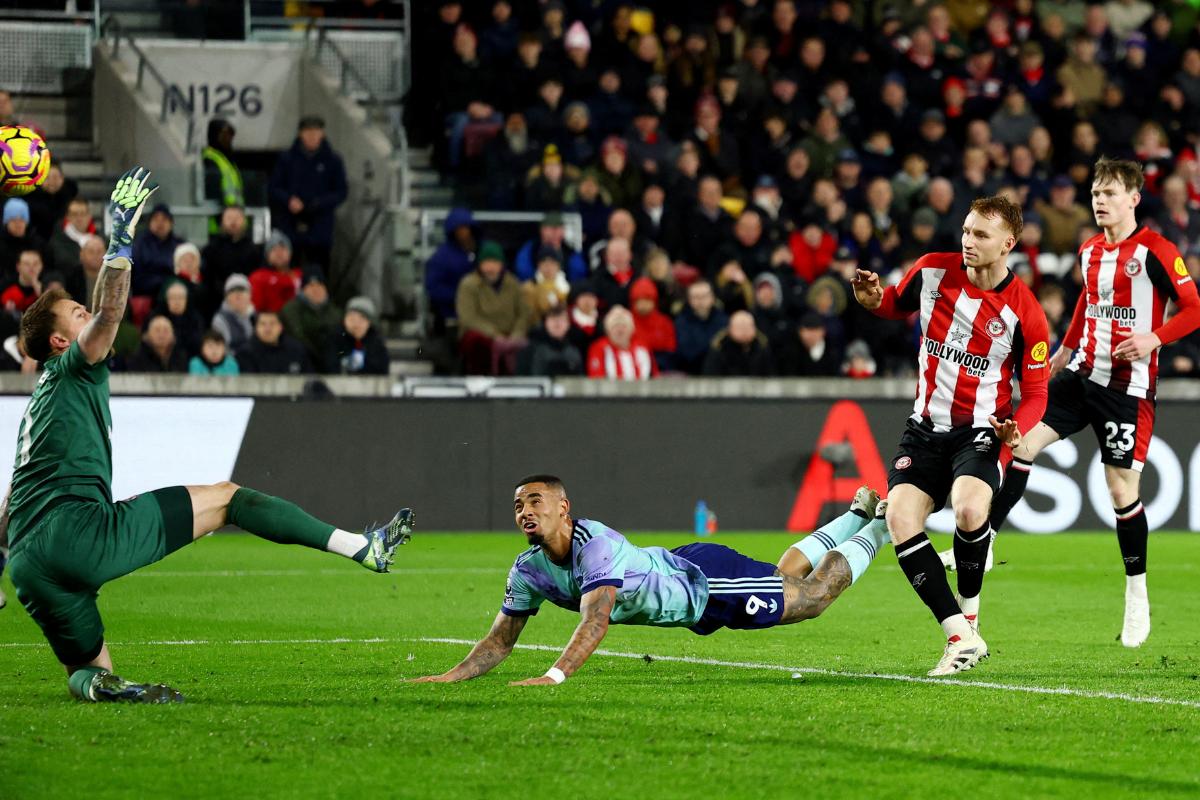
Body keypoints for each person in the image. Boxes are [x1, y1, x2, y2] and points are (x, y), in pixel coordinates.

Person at [2, 168, 414, 702]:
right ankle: (362, 547)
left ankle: (102, 688)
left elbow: (14, 500)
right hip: (78, 533)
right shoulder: (76, 365)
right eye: (74, 314)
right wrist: (122, 238)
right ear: (61, 340)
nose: (87, 316)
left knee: (89, 666)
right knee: (229, 499)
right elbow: (108, 313)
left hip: (30, 566)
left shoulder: (41, 399)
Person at [980, 158, 1200, 649]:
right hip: (1082, 376)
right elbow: (1087, 302)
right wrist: (1062, 350)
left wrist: (1154, 338)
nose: (1100, 200)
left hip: (1128, 389)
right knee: (1020, 443)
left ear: (1134, 199)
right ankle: (988, 537)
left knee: (1121, 491)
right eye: (1096, 192)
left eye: (1110, 193)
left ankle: (1137, 595)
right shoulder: (1089, 251)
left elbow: (1194, 309)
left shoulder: (1158, 252)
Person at [410, 477, 890, 685]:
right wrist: (450, 676)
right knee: (781, 577)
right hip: (683, 564)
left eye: (535, 501)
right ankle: (854, 514)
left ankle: (884, 525)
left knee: (812, 597)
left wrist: (554, 676)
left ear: (563, 507)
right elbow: (500, 641)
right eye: (518, 505)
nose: (525, 510)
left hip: (704, 586)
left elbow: (597, 618)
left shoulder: (592, 544)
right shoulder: (527, 569)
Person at [851, 195, 1050, 676]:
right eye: (965, 231)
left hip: (981, 431)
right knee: (899, 518)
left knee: (969, 508)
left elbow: (1038, 390)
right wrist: (872, 299)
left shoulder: (1025, 311)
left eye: (981, 235)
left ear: (1009, 244)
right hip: (922, 428)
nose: (968, 241)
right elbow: (894, 304)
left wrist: (1017, 427)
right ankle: (959, 634)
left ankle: (971, 611)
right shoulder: (933, 271)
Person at [268, 116, 348, 270]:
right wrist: (288, 200)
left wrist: (319, 203)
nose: (312, 136)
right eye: (308, 132)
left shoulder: (333, 160)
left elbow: (341, 191)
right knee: (290, 266)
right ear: (300, 134)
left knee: (319, 267)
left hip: (320, 226)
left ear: (322, 134)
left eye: (316, 132)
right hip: (290, 223)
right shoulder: (287, 159)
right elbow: (274, 187)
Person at [456, 241, 532, 375]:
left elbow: (523, 313)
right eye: (486, 263)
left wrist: (516, 334)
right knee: (476, 342)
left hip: (510, 334)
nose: (490, 267)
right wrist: (494, 335)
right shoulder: (468, 285)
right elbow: (468, 318)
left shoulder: (513, 283)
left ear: (501, 265)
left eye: (494, 263)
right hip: (483, 334)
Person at [200, 206, 261, 317]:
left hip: (247, 299)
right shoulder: (211, 249)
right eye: (229, 218)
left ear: (244, 221)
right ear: (222, 221)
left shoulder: (254, 250)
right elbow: (208, 278)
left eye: (237, 218)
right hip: (217, 301)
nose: (233, 222)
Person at [424, 208, 478, 327]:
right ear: (453, 231)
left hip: (478, 314)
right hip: (451, 315)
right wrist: (460, 296)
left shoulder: (478, 251)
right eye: (460, 229)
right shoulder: (442, 257)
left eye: (467, 228)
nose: (465, 232)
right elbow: (433, 287)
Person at [280, 268, 341, 370]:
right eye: (311, 285)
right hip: (301, 360)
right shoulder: (291, 309)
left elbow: (339, 338)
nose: (316, 289)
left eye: (320, 285)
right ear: (303, 289)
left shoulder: (335, 312)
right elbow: (297, 334)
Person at [129, 204, 183, 300]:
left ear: (171, 223)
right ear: (149, 223)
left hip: (174, 293)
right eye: (156, 220)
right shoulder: (139, 245)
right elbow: (136, 276)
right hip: (147, 294)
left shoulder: (179, 245)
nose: (160, 223)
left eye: (164, 220)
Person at [324, 296, 389, 375]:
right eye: (351, 318)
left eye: (362, 319)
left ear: (369, 323)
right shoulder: (334, 339)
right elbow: (330, 367)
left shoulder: (376, 343)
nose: (356, 324)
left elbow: (381, 371)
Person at [586, 305, 655, 380]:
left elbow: (654, 376)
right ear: (608, 330)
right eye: (615, 326)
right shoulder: (599, 348)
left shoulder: (643, 348)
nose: (620, 330)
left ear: (631, 329)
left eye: (624, 326)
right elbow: (596, 379)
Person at [236, 310, 313, 375]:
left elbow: (309, 378)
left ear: (280, 327)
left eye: (272, 323)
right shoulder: (245, 354)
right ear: (256, 328)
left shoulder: (296, 350)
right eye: (263, 324)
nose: (268, 329)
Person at [202, 118, 244, 233]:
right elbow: (212, 192)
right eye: (223, 134)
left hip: (234, 222)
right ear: (215, 135)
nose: (227, 139)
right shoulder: (211, 159)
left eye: (229, 135)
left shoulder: (227, 159)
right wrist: (222, 220)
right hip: (219, 225)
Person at [702, 310, 775, 376]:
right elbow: (711, 376)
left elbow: (770, 374)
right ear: (730, 329)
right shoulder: (719, 347)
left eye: (748, 327)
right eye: (739, 327)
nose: (744, 331)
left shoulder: (762, 346)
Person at [518, 306, 584, 376]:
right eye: (553, 319)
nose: (557, 323)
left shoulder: (574, 351)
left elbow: (580, 379)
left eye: (561, 319)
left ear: (568, 325)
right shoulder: (529, 351)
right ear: (545, 323)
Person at [249, 230, 302, 314]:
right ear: (267, 256)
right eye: (273, 250)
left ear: (290, 253)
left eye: (283, 249)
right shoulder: (258, 277)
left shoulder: (300, 275)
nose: (279, 253)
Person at [211, 274, 255, 354]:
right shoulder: (220, 320)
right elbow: (223, 351)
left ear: (250, 294)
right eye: (232, 291)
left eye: (241, 290)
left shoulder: (257, 316)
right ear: (226, 297)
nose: (237, 294)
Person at [1, 249, 43, 315]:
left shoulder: (48, 284)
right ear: (18, 267)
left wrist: (37, 286)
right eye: (27, 264)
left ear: (41, 266)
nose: (31, 268)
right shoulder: (6, 286)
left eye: (36, 263)